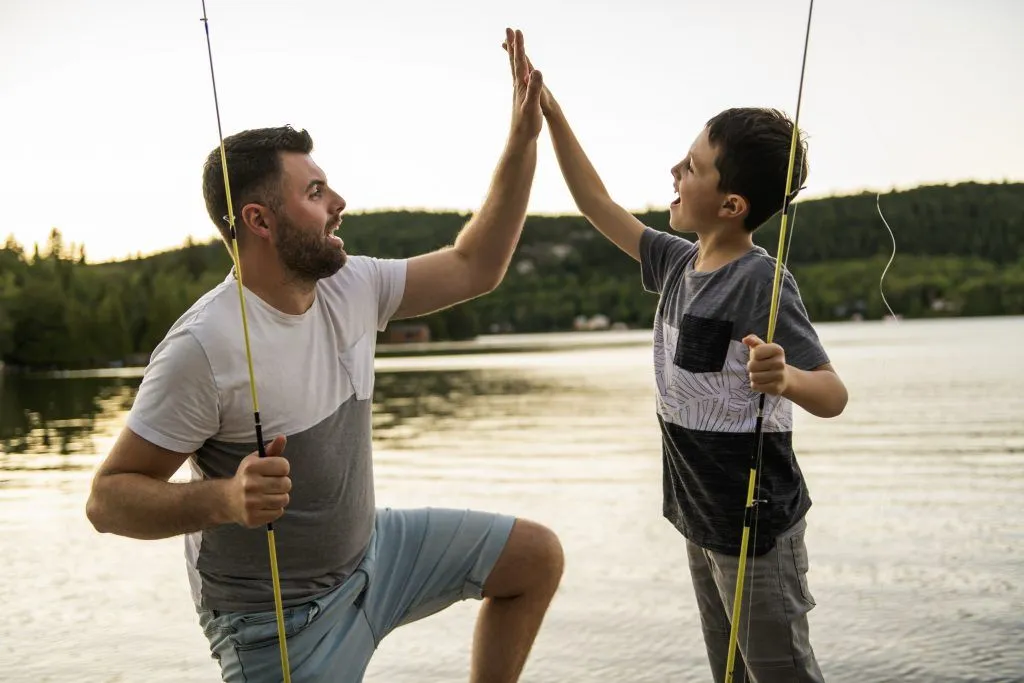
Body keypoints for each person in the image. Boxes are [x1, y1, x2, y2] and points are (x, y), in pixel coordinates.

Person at [86, 28, 563, 683]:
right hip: (278, 625)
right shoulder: (204, 345)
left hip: (376, 553)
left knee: (534, 557)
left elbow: (475, 264)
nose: (338, 205)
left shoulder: (352, 284)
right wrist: (225, 498)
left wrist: (521, 141)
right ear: (259, 221)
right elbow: (107, 501)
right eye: (314, 193)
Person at [504, 35, 848, 683]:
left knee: (782, 673)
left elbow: (832, 393)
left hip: (756, 532)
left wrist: (787, 376)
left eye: (691, 166)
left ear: (732, 205)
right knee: (728, 673)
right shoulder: (675, 262)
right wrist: (547, 109)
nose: (675, 172)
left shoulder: (759, 281)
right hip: (699, 518)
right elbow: (595, 203)